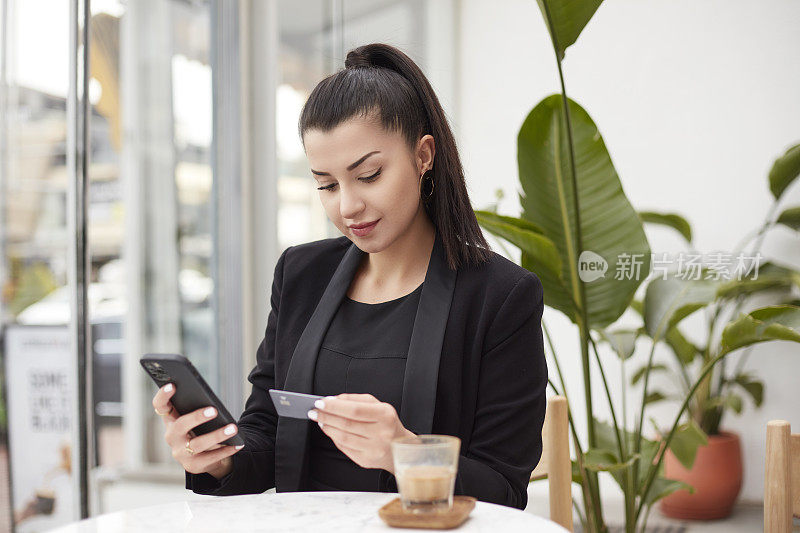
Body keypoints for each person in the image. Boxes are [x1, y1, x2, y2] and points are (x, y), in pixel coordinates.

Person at [152, 42, 547, 511]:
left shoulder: (501, 297)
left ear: (424, 156)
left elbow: (504, 490)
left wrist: (404, 452)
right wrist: (215, 457)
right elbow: (266, 438)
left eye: (370, 174)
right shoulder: (300, 275)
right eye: (326, 184)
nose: (347, 206)